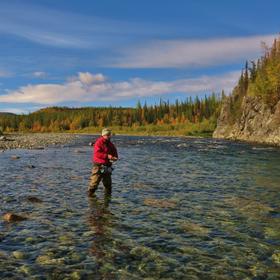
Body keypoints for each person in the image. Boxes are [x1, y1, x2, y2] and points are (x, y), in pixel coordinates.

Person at [88, 128, 118, 197]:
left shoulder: (111, 144)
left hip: (107, 166)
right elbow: (97, 154)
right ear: (103, 135)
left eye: (109, 135)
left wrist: (115, 158)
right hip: (98, 166)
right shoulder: (98, 142)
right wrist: (107, 156)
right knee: (94, 184)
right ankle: (90, 198)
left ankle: (107, 201)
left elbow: (115, 153)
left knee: (108, 185)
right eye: (107, 135)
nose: (108, 136)